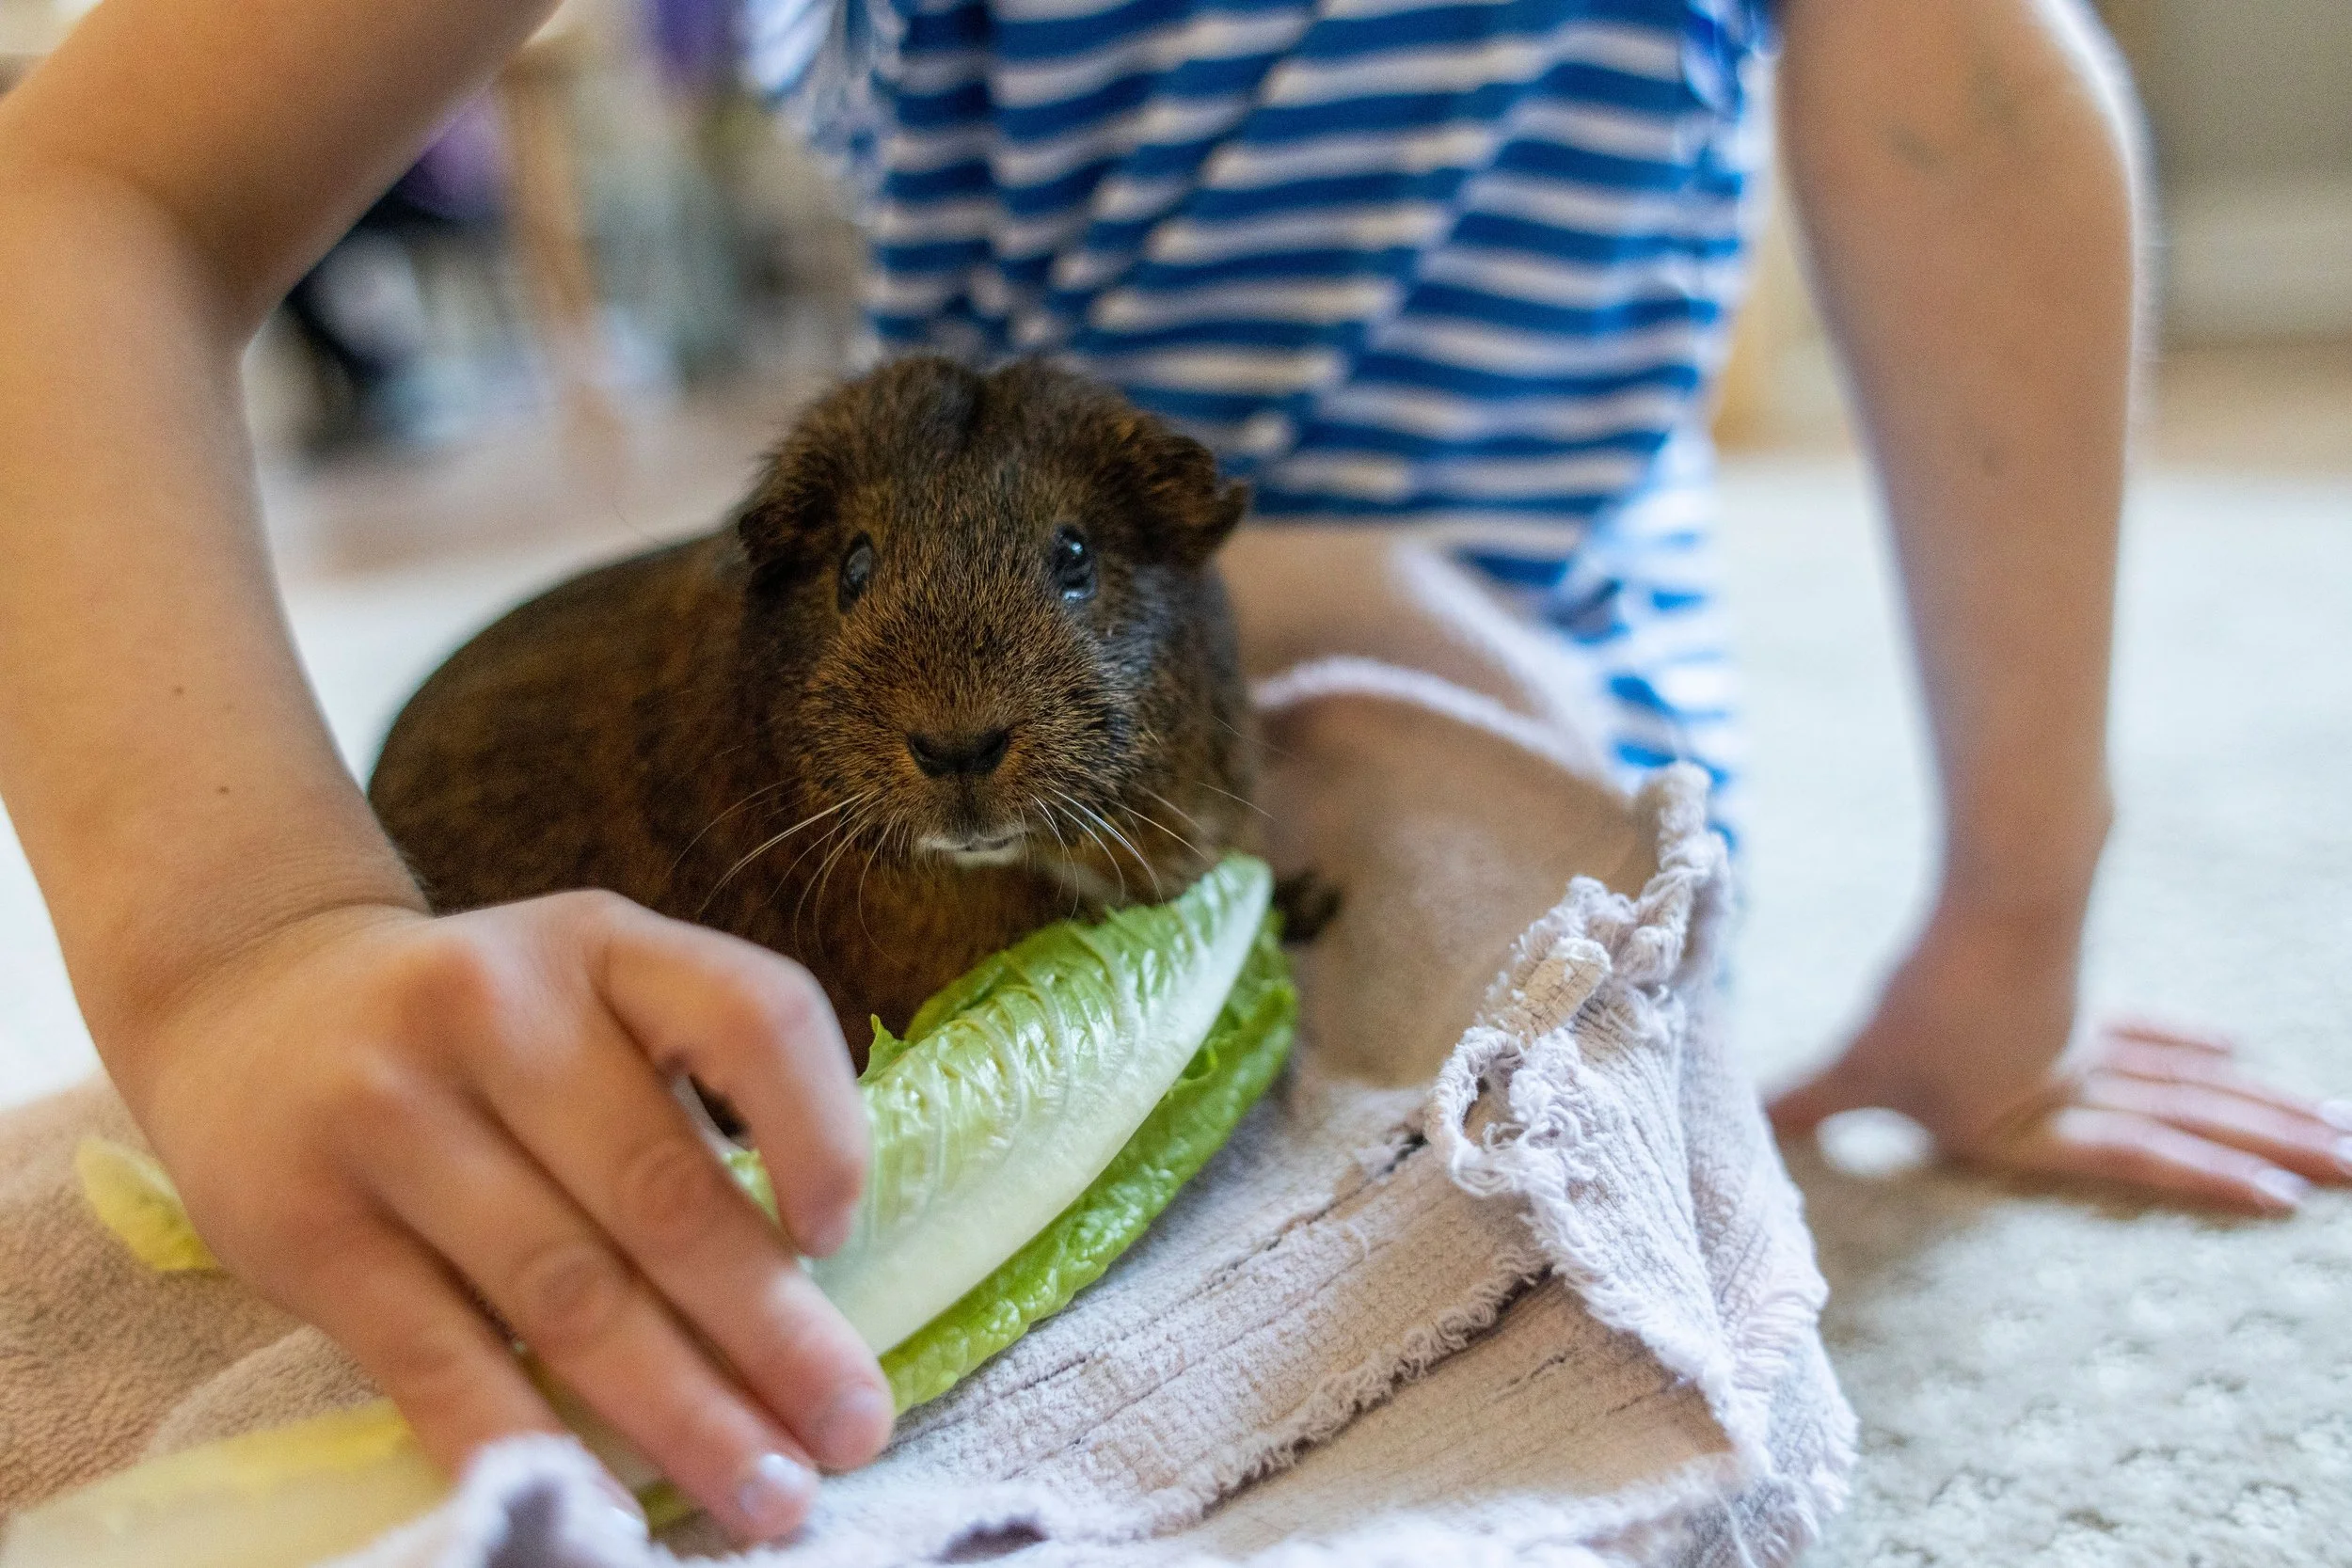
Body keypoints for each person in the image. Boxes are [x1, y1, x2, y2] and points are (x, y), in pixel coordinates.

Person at [0, 0, 2344, 1544]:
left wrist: (2009, 924)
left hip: (1513, 723)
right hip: (1010, 786)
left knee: (1568, 1336)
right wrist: (243, 942)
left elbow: (1963, 85)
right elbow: (84, 189)